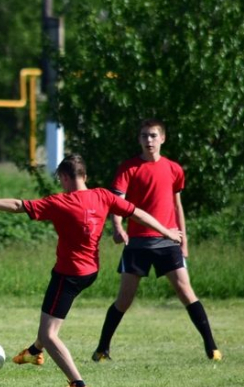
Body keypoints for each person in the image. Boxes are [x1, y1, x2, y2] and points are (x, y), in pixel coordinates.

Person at [0, 154, 182, 387]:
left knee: (49, 334)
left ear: (63, 177)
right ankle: (33, 352)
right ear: (85, 176)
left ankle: (77, 382)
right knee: (49, 321)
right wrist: (167, 232)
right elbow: (137, 213)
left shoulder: (60, 202)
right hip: (90, 272)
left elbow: (18, 206)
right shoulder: (103, 195)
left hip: (67, 276)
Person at [92, 119, 222, 362]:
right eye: (144, 136)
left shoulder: (174, 169)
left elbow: (177, 205)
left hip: (168, 242)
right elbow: (116, 203)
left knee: (186, 292)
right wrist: (118, 227)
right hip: (138, 243)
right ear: (139, 139)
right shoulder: (128, 168)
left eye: (153, 135)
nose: (148, 140)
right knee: (124, 300)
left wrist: (185, 240)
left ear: (162, 138)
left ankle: (212, 348)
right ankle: (102, 349)